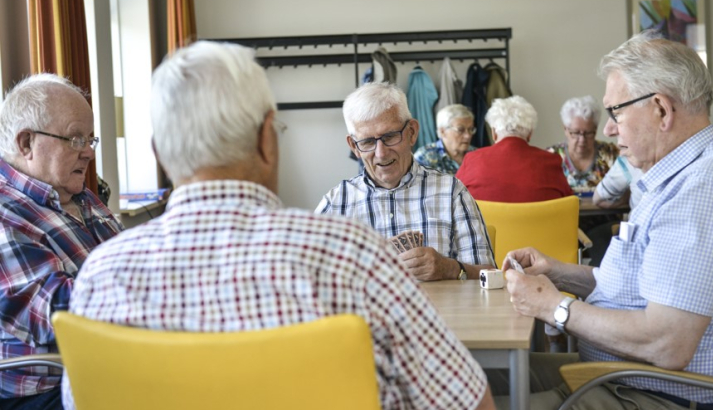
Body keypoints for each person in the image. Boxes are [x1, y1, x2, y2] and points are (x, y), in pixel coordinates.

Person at [61, 42, 495, 410]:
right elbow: (471, 401)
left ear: (159, 152)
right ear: (268, 139)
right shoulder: (351, 254)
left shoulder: (100, 278)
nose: (379, 152)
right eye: (367, 142)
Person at [498, 31, 713, 410]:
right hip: (621, 374)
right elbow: (643, 289)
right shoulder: (677, 175)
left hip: (654, 392)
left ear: (661, 109)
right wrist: (559, 273)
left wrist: (553, 307)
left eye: (615, 112)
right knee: (465, 374)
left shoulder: (698, 191)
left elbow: (667, 344)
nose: (608, 129)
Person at [0, 74, 123, 409]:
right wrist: (153, 280)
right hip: (48, 390)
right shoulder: (5, 213)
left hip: (110, 362)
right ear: (26, 143)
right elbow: (56, 312)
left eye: (89, 140)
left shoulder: (80, 195)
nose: (87, 154)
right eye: (75, 139)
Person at [315, 82, 495, 281]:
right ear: (354, 147)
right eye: (367, 142)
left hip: (439, 312)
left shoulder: (452, 192)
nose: (381, 153)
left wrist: (449, 268)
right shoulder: (336, 204)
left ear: (412, 132)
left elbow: (490, 276)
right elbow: (305, 280)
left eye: (390, 136)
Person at [456, 96, 573, 202]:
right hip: (537, 225)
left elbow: (452, 201)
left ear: (494, 133)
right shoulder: (551, 161)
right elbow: (569, 202)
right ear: (530, 134)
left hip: (486, 226)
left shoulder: (472, 159)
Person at [547, 95, 619, 194]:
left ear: (595, 129)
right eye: (576, 133)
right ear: (566, 129)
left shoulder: (611, 154)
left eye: (588, 133)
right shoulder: (550, 157)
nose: (582, 139)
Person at [414, 103, 476, 174]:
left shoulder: (476, 155)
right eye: (460, 130)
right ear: (442, 131)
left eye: (471, 129)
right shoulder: (424, 157)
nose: (468, 135)